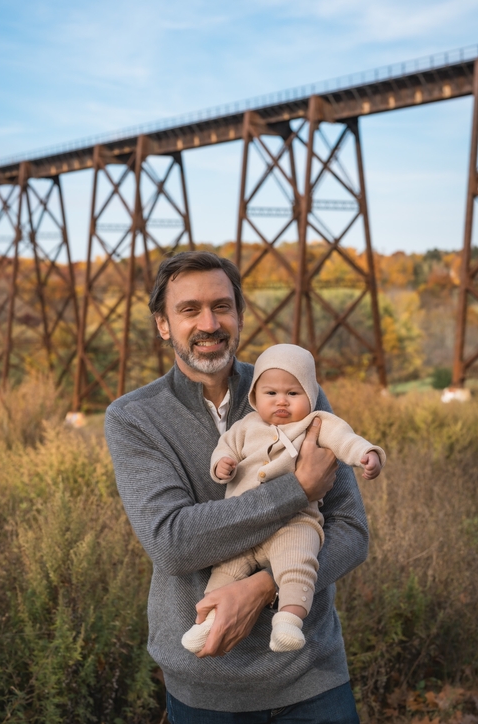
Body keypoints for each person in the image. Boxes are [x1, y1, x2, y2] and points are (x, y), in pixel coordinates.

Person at [105, 251, 369, 723]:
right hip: (206, 690)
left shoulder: (295, 392)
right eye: (189, 310)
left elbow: (351, 529)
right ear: (163, 324)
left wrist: (267, 586)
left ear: (240, 315)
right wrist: (298, 489)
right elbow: (173, 542)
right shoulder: (133, 417)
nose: (209, 323)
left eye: (222, 306)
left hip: (311, 676)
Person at [182, 343, 385, 655]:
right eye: (271, 393)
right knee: (226, 570)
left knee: (298, 562)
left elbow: (345, 439)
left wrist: (365, 454)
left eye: (293, 394)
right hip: (243, 530)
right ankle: (207, 621)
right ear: (254, 397)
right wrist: (221, 464)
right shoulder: (247, 426)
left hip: (296, 521)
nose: (281, 402)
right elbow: (226, 448)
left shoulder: (316, 423)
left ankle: (288, 620)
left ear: (311, 395)